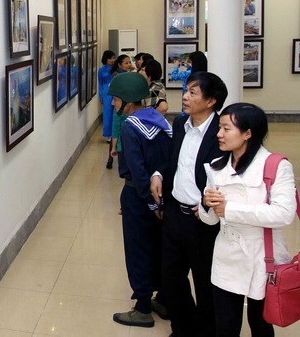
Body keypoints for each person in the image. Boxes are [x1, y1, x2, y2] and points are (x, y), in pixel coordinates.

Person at [199, 103, 297, 337]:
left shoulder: (276, 166)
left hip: (263, 257)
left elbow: (284, 213)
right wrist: (206, 205)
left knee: (261, 325)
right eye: (220, 128)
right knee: (225, 325)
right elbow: (211, 221)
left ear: (248, 133)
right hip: (226, 255)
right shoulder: (215, 167)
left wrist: (229, 209)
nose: (219, 134)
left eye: (226, 128)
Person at [150, 71, 228, 337]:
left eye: (193, 92)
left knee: (206, 283)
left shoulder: (222, 133)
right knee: (171, 279)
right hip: (174, 214)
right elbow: (175, 161)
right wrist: (159, 174)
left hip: (203, 222)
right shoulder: (182, 123)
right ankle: (182, 329)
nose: (184, 96)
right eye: (186, 90)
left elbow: (229, 178)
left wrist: (207, 208)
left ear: (211, 101)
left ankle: (206, 331)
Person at [110, 72, 172, 328]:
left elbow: (137, 170)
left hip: (139, 196)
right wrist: (159, 204)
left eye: (115, 99)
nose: (113, 104)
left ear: (126, 100)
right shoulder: (161, 120)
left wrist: (148, 203)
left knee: (138, 250)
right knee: (160, 247)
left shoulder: (129, 128)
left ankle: (143, 308)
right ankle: (164, 299)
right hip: (163, 194)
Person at [108, 55, 134, 169]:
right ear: (119, 64)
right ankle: (113, 155)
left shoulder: (126, 75)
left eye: (130, 62)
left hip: (125, 107)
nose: (129, 65)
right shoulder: (117, 76)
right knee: (117, 130)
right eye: (126, 63)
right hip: (121, 107)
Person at [98, 50, 116, 144]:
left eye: (113, 58)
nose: (112, 60)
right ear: (106, 59)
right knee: (107, 113)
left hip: (116, 91)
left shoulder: (116, 68)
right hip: (106, 92)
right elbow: (100, 83)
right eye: (110, 58)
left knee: (116, 113)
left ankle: (116, 134)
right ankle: (108, 135)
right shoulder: (101, 70)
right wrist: (100, 95)